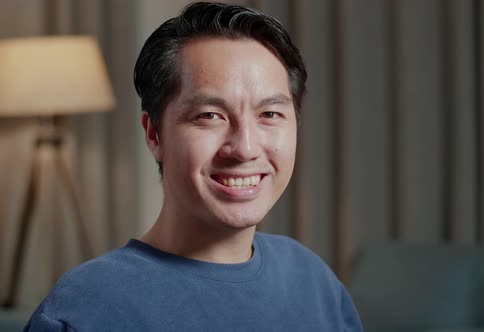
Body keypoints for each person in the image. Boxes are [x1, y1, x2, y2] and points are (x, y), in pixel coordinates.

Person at [24, 2, 363, 331]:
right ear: (155, 134)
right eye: (210, 116)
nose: (244, 148)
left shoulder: (314, 282)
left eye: (269, 115)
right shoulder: (84, 311)